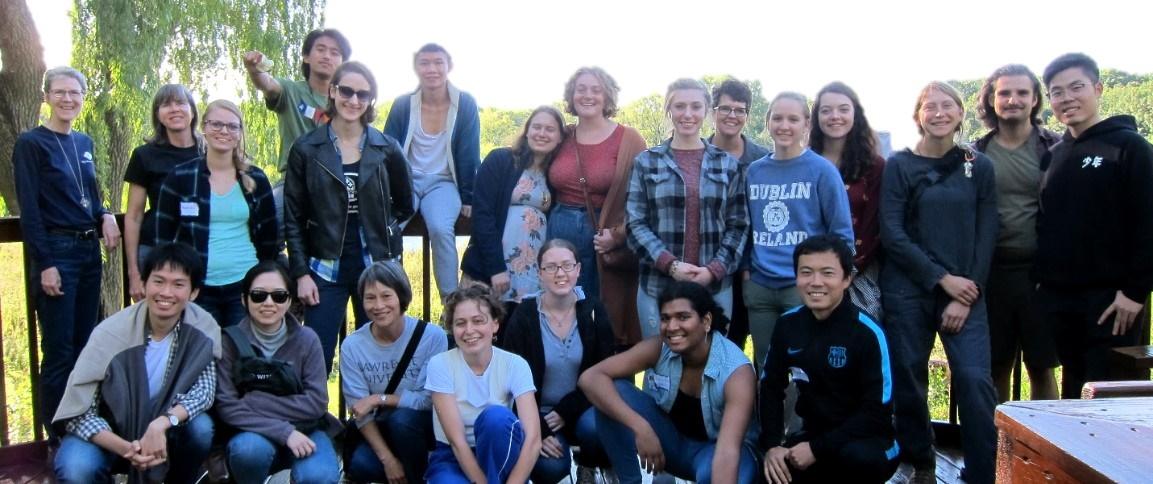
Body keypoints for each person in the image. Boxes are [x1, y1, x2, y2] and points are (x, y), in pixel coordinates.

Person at [880, 81, 998, 484]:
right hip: (908, 290)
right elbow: (892, 233)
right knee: (909, 377)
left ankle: (983, 471)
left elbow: (987, 234)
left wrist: (966, 292)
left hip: (966, 294)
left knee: (973, 378)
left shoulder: (978, 166)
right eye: (930, 106)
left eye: (948, 105)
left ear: (961, 113)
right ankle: (922, 461)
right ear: (918, 116)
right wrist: (941, 279)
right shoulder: (899, 165)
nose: (939, 113)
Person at [1035, 53, 1153, 399]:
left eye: (1076, 87)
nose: (1067, 98)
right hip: (1060, 299)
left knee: (1110, 391)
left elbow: (1148, 222)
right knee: (1074, 387)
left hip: (1113, 300)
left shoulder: (1130, 147)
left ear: (1098, 88)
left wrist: (1135, 292)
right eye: (1057, 92)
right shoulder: (1054, 155)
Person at [285, 61, 415, 373]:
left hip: (376, 265)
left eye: (363, 94)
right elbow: (293, 215)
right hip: (325, 267)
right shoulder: (307, 148)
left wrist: (387, 234)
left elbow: (406, 203)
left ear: (371, 100)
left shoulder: (386, 147)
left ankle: (372, 420)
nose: (353, 100)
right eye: (346, 91)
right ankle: (316, 420)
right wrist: (301, 273)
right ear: (332, 92)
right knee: (315, 354)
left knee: (379, 357)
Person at [52, 242, 219, 484]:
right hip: (109, 432)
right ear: (144, 283)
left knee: (201, 429)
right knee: (76, 467)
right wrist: (127, 449)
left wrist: (162, 424)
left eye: (178, 284)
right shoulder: (110, 333)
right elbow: (79, 412)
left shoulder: (203, 328)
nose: (166, 293)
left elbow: (204, 391)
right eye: (158, 281)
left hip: (165, 428)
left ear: (193, 293)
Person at [13, 66, 121, 433]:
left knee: (84, 346)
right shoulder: (31, 143)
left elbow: (90, 196)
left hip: (89, 252)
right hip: (57, 253)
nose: (68, 99)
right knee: (59, 352)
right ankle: (56, 434)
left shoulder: (84, 143)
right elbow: (29, 209)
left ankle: (83, 422)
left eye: (75, 93)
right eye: (59, 92)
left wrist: (106, 214)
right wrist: (45, 263)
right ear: (46, 97)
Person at [580, 280, 760, 483]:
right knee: (612, 393)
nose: (672, 327)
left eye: (683, 317)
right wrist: (641, 427)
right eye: (665, 318)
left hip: (717, 452)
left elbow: (728, 451)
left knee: (715, 475)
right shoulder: (659, 347)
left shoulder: (736, 371)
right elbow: (591, 378)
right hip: (671, 443)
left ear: (706, 321)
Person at [761, 234, 898, 484]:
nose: (816, 282)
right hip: (814, 435)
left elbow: (876, 413)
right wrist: (772, 446)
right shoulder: (787, 325)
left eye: (827, 273)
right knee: (773, 471)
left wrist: (817, 448)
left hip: (868, 441)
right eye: (806, 273)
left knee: (856, 460)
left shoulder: (868, 333)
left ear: (847, 279)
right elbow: (770, 388)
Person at [626, 78, 749, 339]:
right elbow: (635, 224)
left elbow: (739, 225)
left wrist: (713, 270)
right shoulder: (647, 162)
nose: (688, 114)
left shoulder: (727, 165)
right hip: (658, 286)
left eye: (696, 106)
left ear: (707, 110)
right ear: (669, 110)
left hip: (714, 288)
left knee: (710, 365)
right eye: (680, 106)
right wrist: (670, 265)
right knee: (660, 365)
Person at [972, 65, 1062, 402]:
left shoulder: (1055, 147)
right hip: (992, 272)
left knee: (1041, 366)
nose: (1013, 100)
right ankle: (999, 449)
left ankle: (1045, 448)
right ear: (991, 100)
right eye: (1004, 93)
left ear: (1036, 99)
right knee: (996, 366)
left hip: (1040, 275)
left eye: (1022, 93)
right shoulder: (974, 153)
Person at [745, 91, 853, 372]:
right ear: (767, 122)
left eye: (793, 119)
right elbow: (742, 227)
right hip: (760, 285)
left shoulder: (822, 171)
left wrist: (831, 279)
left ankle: (803, 419)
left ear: (806, 124)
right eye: (778, 118)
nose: (785, 125)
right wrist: (747, 272)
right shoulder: (754, 172)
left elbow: (841, 233)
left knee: (807, 366)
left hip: (804, 285)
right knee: (766, 365)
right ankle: (770, 417)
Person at [154, 100, 279, 327]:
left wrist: (263, 279)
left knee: (242, 357)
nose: (224, 131)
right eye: (217, 124)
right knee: (201, 356)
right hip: (197, 286)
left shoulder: (256, 179)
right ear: (204, 127)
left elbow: (270, 237)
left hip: (245, 285)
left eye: (232, 126)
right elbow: (163, 240)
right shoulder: (181, 177)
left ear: (240, 133)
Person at [547, 67, 648, 348]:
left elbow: (645, 198)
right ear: (571, 94)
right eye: (581, 88)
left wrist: (618, 234)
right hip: (558, 233)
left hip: (602, 240)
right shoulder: (562, 136)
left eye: (596, 89)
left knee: (603, 317)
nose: (587, 95)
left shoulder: (629, 140)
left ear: (607, 96)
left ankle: (608, 383)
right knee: (561, 313)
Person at [499, 239, 616, 483]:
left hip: (584, 408)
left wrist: (569, 408)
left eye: (566, 265)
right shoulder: (524, 316)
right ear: (540, 273)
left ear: (578, 270)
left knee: (595, 427)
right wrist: (537, 429)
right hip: (538, 414)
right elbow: (507, 379)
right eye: (551, 267)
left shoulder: (594, 311)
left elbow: (607, 372)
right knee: (551, 468)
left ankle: (589, 465)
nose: (560, 273)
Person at [214, 260, 340, 484]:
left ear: (290, 300)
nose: (268, 303)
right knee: (248, 452)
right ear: (244, 299)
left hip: (307, 429)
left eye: (279, 296)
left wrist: (254, 401)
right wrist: (284, 431)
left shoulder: (307, 339)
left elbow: (317, 402)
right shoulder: (229, 342)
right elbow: (228, 407)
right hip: (253, 434)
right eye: (259, 295)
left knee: (319, 477)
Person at [384, 43, 481, 299]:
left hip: (444, 182)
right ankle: (391, 295)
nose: (432, 69)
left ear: (449, 66)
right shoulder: (404, 105)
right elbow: (386, 148)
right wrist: (382, 189)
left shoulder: (464, 104)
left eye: (438, 62)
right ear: (416, 67)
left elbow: (469, 151)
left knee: (440, 228)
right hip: (406, 181)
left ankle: (451, 304)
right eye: (425, 63)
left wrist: (469, 197)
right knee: (389, 227)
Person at [341, 261, 448, 483]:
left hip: (420, 427)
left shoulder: (432, 337)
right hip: (383, 431)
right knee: (361, 466)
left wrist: (378, 398)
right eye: (370, 298)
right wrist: (388, 460)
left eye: (386, 296)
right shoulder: (352, 346)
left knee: (402, 420)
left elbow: (429, 401)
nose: (378, 305)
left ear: (401, 296)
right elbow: (361, 412)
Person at [424, 282, 541, 483]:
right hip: (453, 457)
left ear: (495, 324)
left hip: (500, 449)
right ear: (451, 327)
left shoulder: (515, 364)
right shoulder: (440, 365)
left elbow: (533, 440)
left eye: (478, 321)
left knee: (496, 417)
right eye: (460, 323)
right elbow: (457, 441)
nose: (469, 330)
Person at [462, 106, 566, 312]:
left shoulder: (554, 176)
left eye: (550, 129)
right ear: (527, 131)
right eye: (536, 127)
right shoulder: (500, 160)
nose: (542, 134)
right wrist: (496, 269)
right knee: (483, 324)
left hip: (532, 272)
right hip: (494, 268)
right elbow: (483, 216)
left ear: (560, 138)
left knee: (520, 334)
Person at [809, 81, 886, 320]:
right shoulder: (804, 163)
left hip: (857, 271)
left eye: (843, 109)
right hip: (808, 272)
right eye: (826, 110)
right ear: (816, 117)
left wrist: (843, 272)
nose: (835, 116)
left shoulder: (874, 167)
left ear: (855, 114)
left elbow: (873, 226)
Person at [124, 84, 203, 302]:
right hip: (155, 249)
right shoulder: (144, 155)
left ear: (193, 111)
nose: (174, 109)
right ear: (158, 114)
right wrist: (134, 273)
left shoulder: (209, 151)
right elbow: (134, 215)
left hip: (202, 250)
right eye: (166, 104)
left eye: (180, 103)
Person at [707, 77, 769, 350]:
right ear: (713, 111)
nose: (732, 115)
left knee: (761, 346)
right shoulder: (695, 155)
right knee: (716, 345)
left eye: (740, 110)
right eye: (725, 109)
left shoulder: (764, 160)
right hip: (708, 266)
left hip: (754, 270)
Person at [243, 28, 350, 173]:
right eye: (320, 49)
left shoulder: (351, 101)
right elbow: (267, 84)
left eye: (334, 53)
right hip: (294, 179)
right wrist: (255, 69)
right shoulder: (290, 91)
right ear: (306, 57)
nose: (327, 56)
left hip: (336, 179)